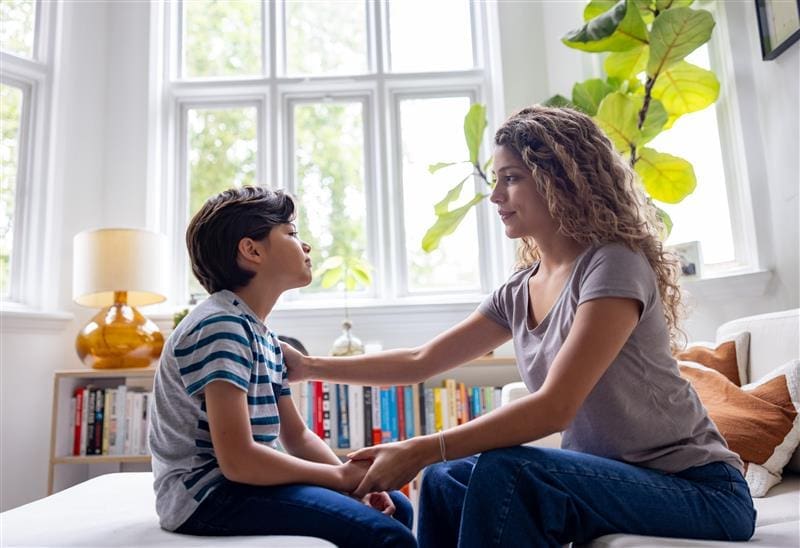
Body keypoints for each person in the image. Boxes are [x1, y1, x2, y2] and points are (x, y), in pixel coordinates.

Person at [282, 106, 756, 547]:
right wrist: (307, 366)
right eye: (496, 180)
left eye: (511, 179)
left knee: (510, 471)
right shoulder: (519, 290)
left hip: (699, 492)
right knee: (445, 479)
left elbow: (555, 407)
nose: (495, 196)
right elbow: (420, 362)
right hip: (612, 478)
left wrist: (424, 447)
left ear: (564, 181)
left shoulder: (613, 265)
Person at [149, 186, 416, 548]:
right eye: (291, 233)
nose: (306, 246)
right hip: (209, 495)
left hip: (242, 482)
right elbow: (239, 462)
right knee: (386, 535)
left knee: (396, 505)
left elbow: (298, 436)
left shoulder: (262, 335)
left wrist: (354, 481)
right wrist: (338, 478)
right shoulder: (219, 326)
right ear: (252, 250)